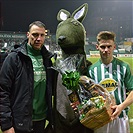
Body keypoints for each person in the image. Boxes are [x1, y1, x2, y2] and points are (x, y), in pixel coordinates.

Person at [0, 21, 55, 133]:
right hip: (19, 121)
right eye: (35, 34)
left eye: (42, 35)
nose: (38, 38)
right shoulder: (14, 58)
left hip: (41, 120)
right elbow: (2, 91)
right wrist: (6, 124)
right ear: (28, 34)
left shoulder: (47, 60)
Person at [87, 31, 133, 133]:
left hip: (120, 118)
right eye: (103, 47)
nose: (106, 50)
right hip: (101, 119)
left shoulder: (124, 67)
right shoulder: (91, 70)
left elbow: (132, 91)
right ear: (97, 47)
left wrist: (121, 106)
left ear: (114, 47)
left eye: (109, 46)